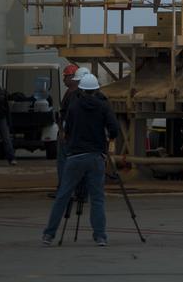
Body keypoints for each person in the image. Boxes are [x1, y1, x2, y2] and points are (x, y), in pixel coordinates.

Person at [42, 72, 119, 246]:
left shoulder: (74, 107)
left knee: (63, 195)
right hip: (96, 157)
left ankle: (49, 234)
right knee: (97, 198)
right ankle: (100, 236)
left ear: (82, 90)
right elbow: (114, 129)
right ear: (96, 90)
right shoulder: (103, 107)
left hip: (75, 156)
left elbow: (67, 129)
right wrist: (107, 137)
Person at [54, 65, 82, 190]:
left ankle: (64, 188)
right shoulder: (75, 93)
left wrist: (63, 131)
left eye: (66, 76)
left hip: (68, 134)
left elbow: (68, 116)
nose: (64, 79)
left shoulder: (73, 94)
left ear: (73, 77)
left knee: (64, 161)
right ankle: (77, 190)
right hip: (74, 134)